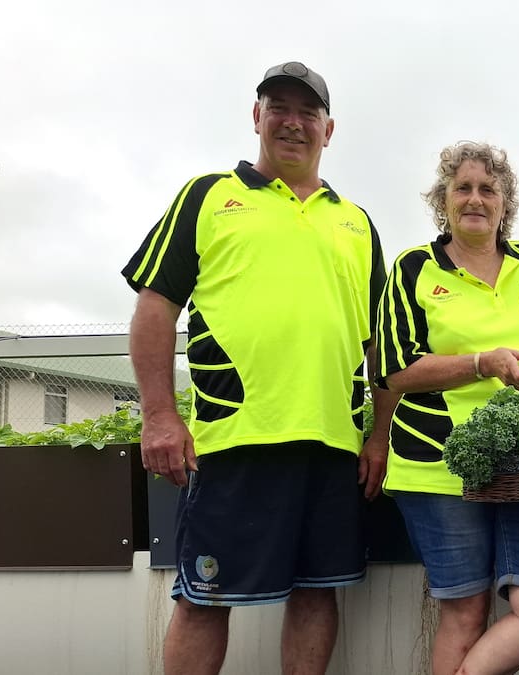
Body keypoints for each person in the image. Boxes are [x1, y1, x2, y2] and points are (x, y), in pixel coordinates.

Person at [122, 61, 392, 675]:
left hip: (334, 444)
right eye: (279, 109)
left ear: (330, 129)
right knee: (204, 599)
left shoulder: (356, 222)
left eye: (308, 112)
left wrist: (378, 435)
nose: (293, 123)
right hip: (235, 438)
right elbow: (155, 305)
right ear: (256, 118)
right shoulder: (208, 196)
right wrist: (160, 416)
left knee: (319, 593)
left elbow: (379, 345)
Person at [377, 141, 519, 675]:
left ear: (505, 202)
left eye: (488, 188)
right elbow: (396, 371)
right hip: (438, 462)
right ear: (442, 201)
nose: (475, 199)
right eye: (461, 187)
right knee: (465, 613)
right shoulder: (414, 268)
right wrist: (482, 363)